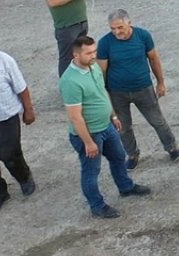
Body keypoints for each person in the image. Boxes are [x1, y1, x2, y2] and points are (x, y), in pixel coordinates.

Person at [61, 35, 151, 218]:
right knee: (91, 171)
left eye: (94, 51)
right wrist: (88, 142)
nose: (93, 56)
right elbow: (75, 117)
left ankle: (125, 187)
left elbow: (102, 92)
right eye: (88, 53)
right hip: (89, 134)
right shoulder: (70, 81)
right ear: (76, 55)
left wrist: (113, 115)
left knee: (118, 157)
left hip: (106, 127)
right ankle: (97, 205)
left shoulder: (93, 67)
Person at [97, 10, 179, 169]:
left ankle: (172, 147)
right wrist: (103, 96)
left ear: (129, 23)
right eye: (112, 29)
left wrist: (160, 82)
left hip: (143, 88)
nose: (116, 32)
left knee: (157, 120)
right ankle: (132, 154)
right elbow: (100, 72)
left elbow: (153, 58)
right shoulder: (104, 43)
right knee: (123, 127)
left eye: (120, 27)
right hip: (117, 92)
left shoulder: (143, 36)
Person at [0, 35, 36, 214]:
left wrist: (28, 110)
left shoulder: (5, 61)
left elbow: (21, 88)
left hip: (5, 119)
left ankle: (24, 177)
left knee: (9, 153)